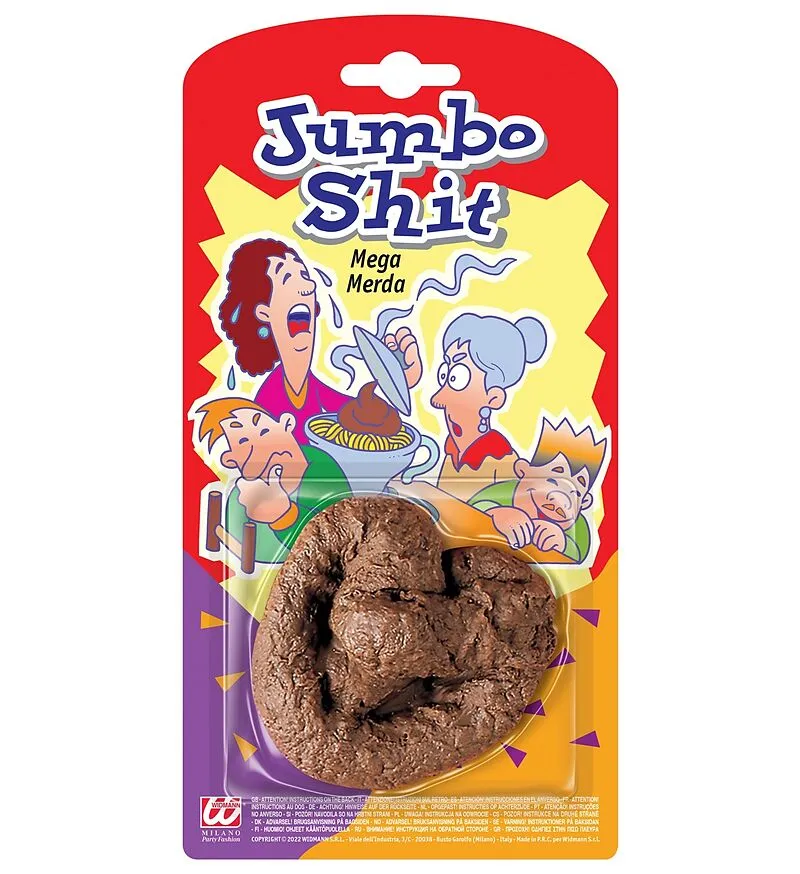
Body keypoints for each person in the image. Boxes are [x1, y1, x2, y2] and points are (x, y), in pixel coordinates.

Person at [218, 237, 421, 443]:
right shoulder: (268, 401)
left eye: (304, 275)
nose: (309, 285)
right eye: (287, 277)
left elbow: (360, 414)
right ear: (264, 312)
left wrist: (397, 379)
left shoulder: (311, 387)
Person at [195, 397, 350, 563]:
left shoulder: (322, 468)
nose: (263, 445)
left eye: (264, 431)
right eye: (244, 442)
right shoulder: (240, 499)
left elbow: (336, 531)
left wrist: (284, 516)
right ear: (230, 460)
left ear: (286, 424)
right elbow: (248, 550)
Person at [430, 312, 548, 502]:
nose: (438, 397)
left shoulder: (501, 461)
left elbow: (511, 513)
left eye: (457, 378)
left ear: (494, 397)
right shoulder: (452, 451)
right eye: (445, 375)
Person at [469, 417, 608, 562]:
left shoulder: (577, 524)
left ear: (585, 502)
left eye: (576, 494)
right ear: (523, 470)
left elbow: (581, 551)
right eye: (551, 481)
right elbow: (472, 508)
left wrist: (563, 543)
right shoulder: (503, 492)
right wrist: (496, 514)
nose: (561, 502)